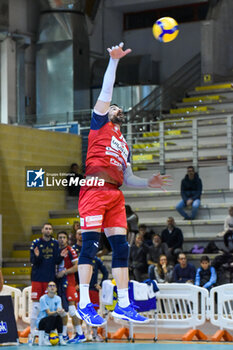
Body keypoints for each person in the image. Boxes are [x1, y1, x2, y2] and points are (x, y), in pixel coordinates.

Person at [77, 42, 172, 327]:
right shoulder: (99, 124)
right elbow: (107, 90)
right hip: (94, 187)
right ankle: (84, 302)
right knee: (91, 246)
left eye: (118, 107)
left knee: (122, 248)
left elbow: (129, 178)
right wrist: (114, 62)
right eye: (113, 106)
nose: (116, 108)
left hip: (115, 195)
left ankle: (124, 304)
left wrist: (149, 183)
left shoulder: (124, 144)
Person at [30, 223, 63, 334]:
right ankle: (32, 331)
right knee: (35, 305)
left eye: (50, 229)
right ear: (42, 230)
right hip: (37, 278)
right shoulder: (36, 243)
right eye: (46, 228)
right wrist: (37, 256)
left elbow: (57, 261)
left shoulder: (55, 243)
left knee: (48, 306)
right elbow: (32, 261)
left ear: (52, 231)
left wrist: (61, 256)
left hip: (49, 279)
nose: (48, 230)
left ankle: (46, 331)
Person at [56, 231, 85, 344]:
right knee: (62, 310)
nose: (62, 239)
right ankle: (64, 335)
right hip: (58, 283)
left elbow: (77, 267)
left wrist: (65, 272)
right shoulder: (56, 250)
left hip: (69, 282)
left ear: (67, 239)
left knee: (72, 309)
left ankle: (80, 334)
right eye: (60, 237)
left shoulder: (71, 250)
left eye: (64, 237)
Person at [36, 281, 67, 346]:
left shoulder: (58, 298)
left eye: (54, 286)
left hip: (52, 323)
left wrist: (61, 311)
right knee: (52, 317)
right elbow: (48, 313)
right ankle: (46, 339)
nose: (52, 287)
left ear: (56, 289)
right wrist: (57, 312)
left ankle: (61, 338)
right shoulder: (43, 298)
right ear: (47, 289)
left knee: (58, 317)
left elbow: (58, 309)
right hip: (42, 323)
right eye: (50, 286)